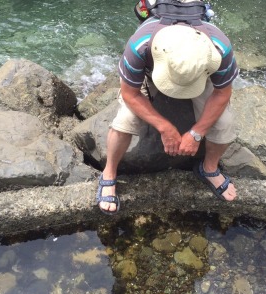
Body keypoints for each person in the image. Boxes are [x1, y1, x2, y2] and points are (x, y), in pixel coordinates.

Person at [97, 0, 239, 214]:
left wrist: (197, 132)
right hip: (151, 72)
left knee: (225, 124)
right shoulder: (140, 45)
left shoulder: (219, 48)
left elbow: (222, 93)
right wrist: (165, 127)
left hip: (199, 73)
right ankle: (108, 173)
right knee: (124, 122)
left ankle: (209, 168)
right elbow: (130, 93)